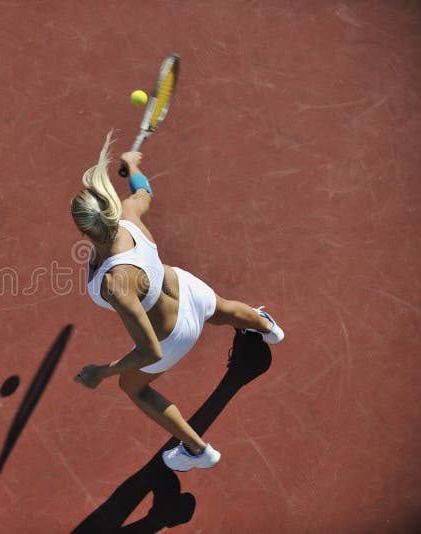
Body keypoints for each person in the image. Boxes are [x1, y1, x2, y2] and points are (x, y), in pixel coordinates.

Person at [72, 131, 284, 471]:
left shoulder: (115, 283)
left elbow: (150, 351)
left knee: (133, 386)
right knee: (223, 309)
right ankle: (266, 327)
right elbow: (144, 191)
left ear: (83, 231)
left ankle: (197, 451)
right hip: (187, 289)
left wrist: (102, 372)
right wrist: (131, 165)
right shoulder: (128, 213)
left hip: (172, 336)